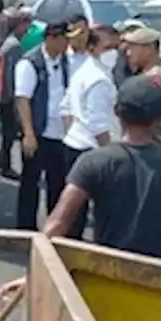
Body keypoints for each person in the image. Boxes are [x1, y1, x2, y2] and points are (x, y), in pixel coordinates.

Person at [0, 74, 161, 299]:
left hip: (103, 279)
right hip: (154, 285)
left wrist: (30, 277)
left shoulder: (94, 161)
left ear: (117, 112)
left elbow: (58, 223)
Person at [57, 24, 122, 236]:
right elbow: (99, 124)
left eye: (115, 46)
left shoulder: (86, 70)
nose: (113, 52)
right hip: (92, 149)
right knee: (102, 210)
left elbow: (66, 108)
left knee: (75, 209)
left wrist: (72, 132)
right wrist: (110, 156)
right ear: (92, 48)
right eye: (108, 47)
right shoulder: (99, 80)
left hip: (74, 143)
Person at [13, 22, 72, 230]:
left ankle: (53, 229)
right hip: (38, 132)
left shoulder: (65, 61)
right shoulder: (30, 63)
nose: (68, 44)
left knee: (58, 184)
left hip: (60, 134)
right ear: (52, 38)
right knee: (31, 183)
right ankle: (25, 229)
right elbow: (23, 99)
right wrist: (29, 134)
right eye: (65, 39)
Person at [0, 8, 32, 179]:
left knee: (6, 134)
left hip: (2, 94)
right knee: (9, 134)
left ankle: (0, 163)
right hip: (7, 97)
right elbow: (11, 75)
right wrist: (15, 99)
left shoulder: (7, 42)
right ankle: (4, 164)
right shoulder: (14, 46)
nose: (27, 31)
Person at [120, 26, 161, 145]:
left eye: (133, 48)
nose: (128, 53)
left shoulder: (157, 76)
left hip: (151, 142)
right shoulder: (148, 72)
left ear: (149, 48)